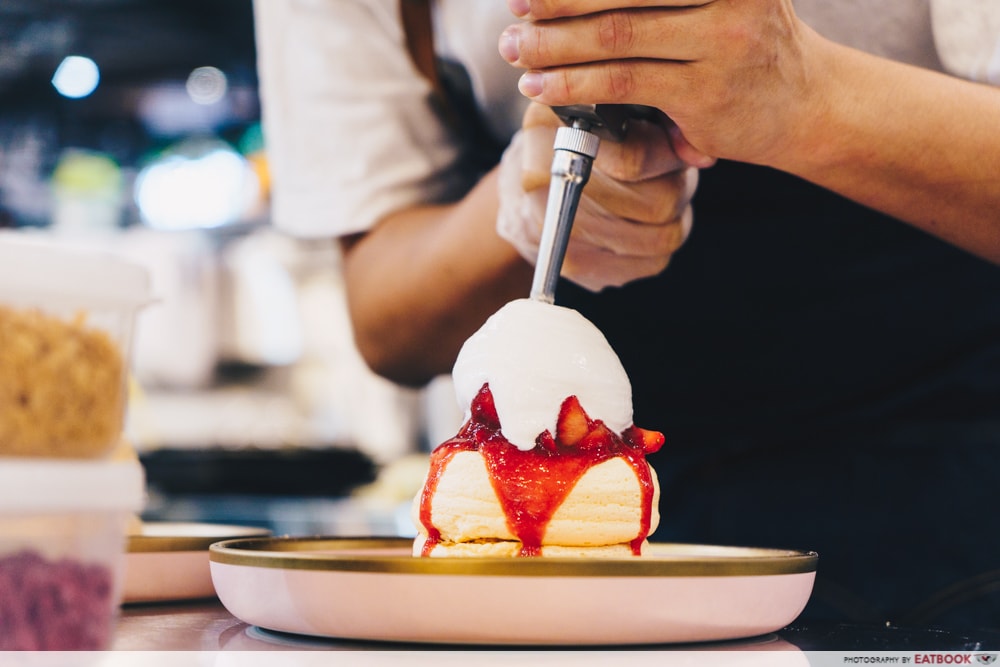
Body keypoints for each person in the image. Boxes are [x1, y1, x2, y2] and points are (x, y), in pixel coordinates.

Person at [253, 0, 1000, 628]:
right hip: (583, 572)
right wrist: (523, 199)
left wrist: (807, 95)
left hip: (955, 497)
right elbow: (389, 324)